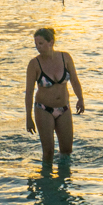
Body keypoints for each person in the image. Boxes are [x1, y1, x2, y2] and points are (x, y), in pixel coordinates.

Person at [25, 27, 84, 161]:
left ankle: (65, 180)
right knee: (48, 152)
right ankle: (46, 180)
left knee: (67, 150)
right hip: (43, 109)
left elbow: (74, 80)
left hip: (64, 108)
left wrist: (80, 99)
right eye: (36, 44)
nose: (37, 47)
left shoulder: (65, 57)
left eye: (40, 44)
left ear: (51, 42)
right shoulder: (34, 64)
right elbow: (29, 92)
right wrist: (28, 117)